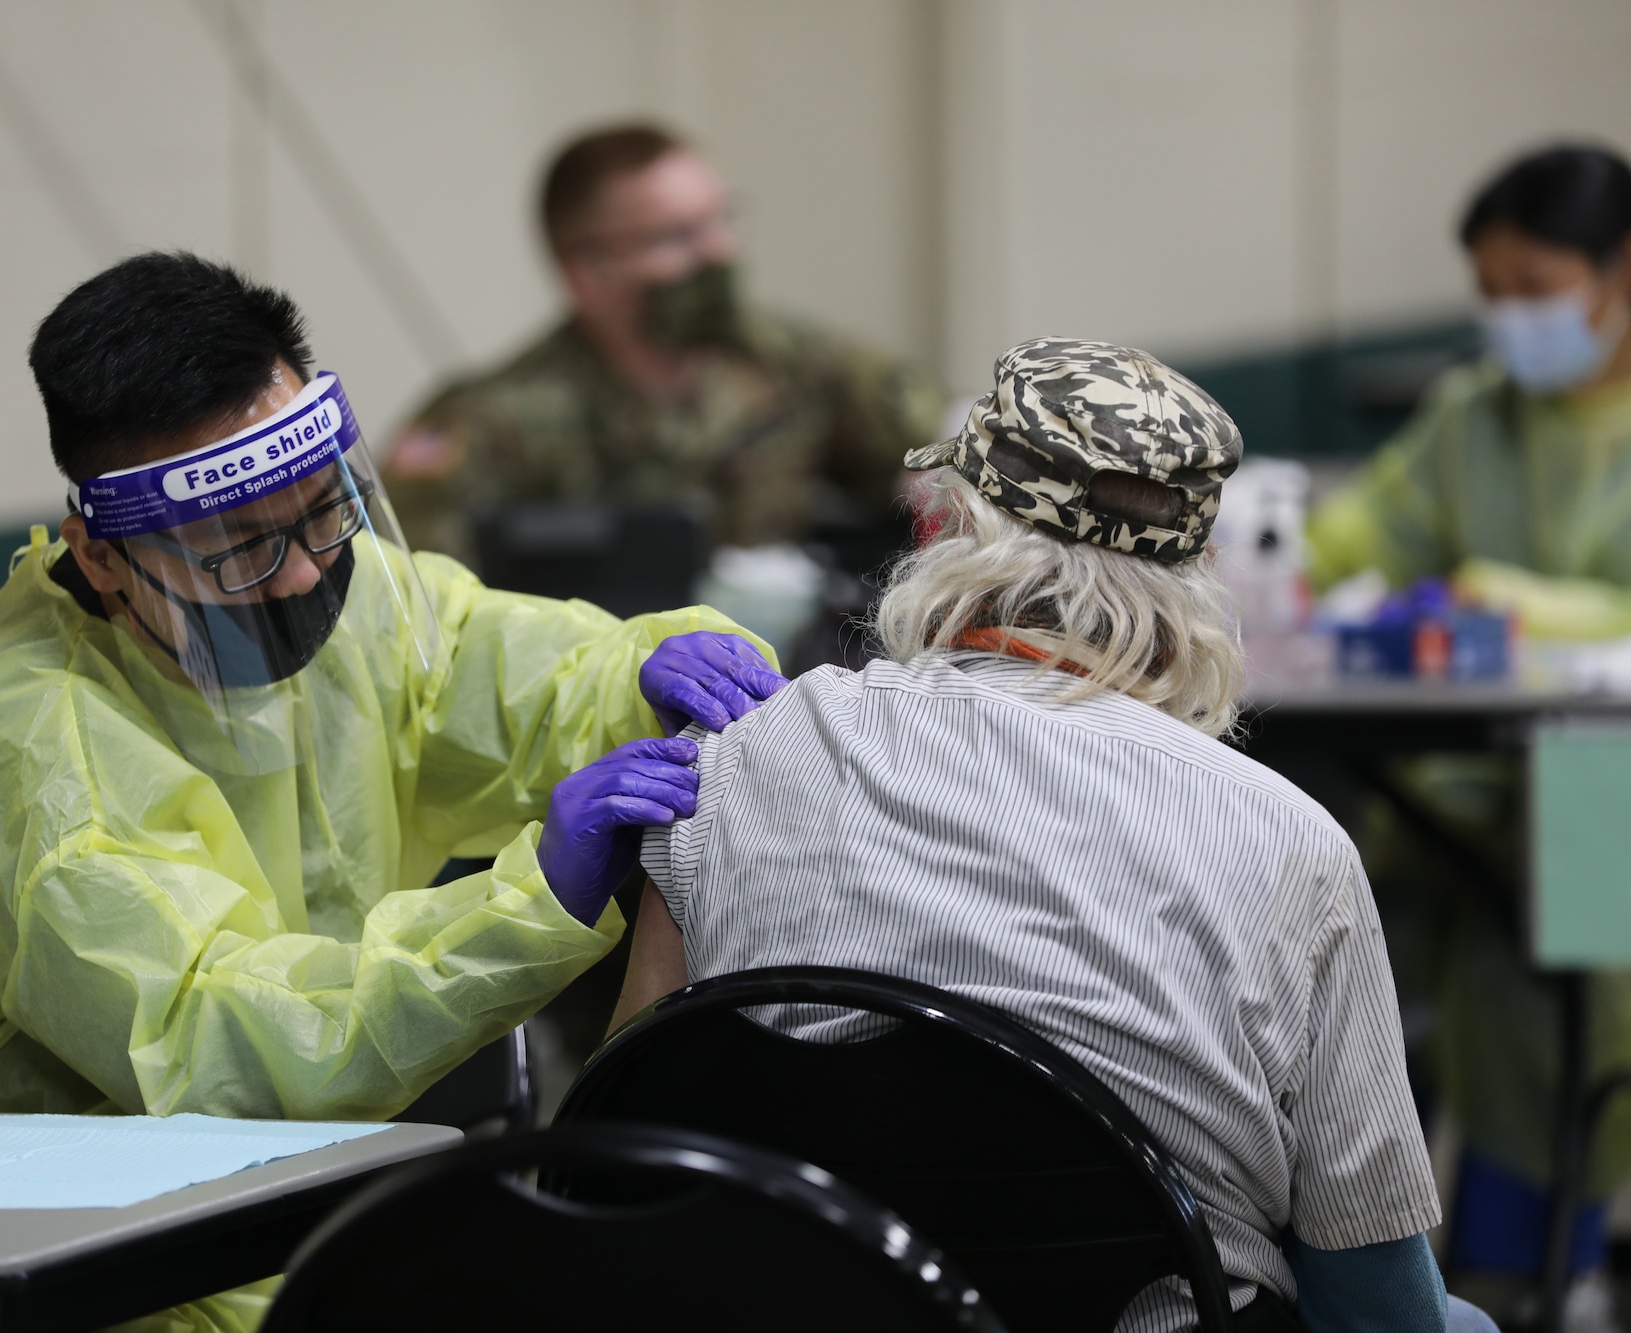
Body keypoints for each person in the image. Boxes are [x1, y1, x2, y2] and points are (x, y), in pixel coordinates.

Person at [0, 252, 785, 1333]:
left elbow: (478, 661)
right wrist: (525, 907)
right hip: (45, 1244)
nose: (295, 575)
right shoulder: (28, 763)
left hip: (272, 1202)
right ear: (98, 557)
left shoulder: (345, 584)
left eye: (323, 514)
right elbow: (217, 1046)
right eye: (236, 549)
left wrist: (639, 676)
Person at [595, 339, 1491, 1332]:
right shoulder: (1289, 845)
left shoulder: (731, 761)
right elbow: (1376, 1304)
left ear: (956, 521)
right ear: (1199, 573)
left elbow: (623, 1147)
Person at [1309, 143, 1631, 1318]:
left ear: (1617, 270)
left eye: (1533, 285)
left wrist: (1509, 600)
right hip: (1447, 786)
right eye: (1487, 292)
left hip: (1605, 783)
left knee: (1566, 1017)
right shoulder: (1471, 416)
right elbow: (1348, 541)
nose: (1508, 317)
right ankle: (1404, 1286)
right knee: (1371, 999)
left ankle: (1549, 1266)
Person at [381, 122, 947, 570]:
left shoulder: (793, 362)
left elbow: (954, 445)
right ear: (587, 271)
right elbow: (411, 593)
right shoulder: (491, 423)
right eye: (678, 237)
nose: (720, 252)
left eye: (722, 218)